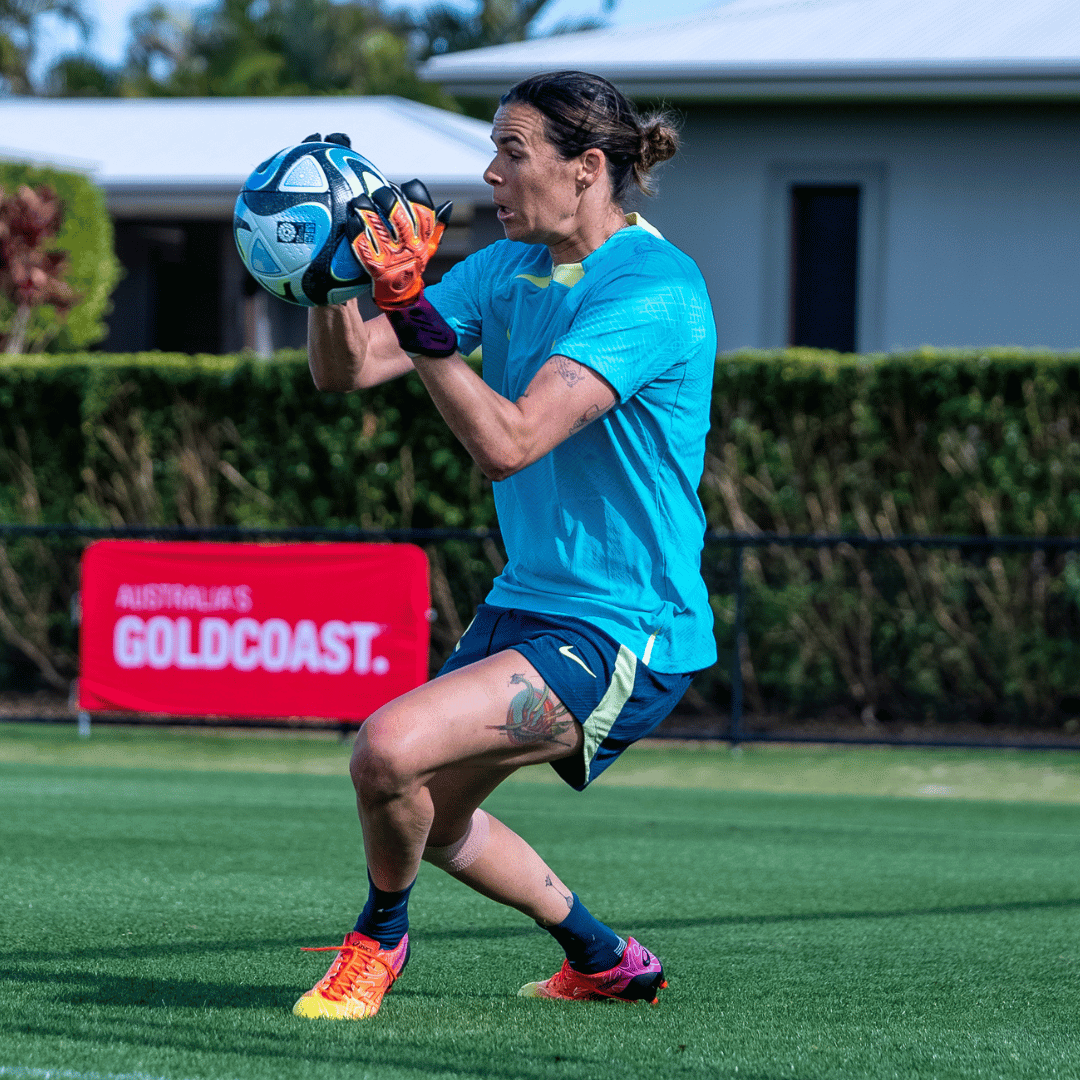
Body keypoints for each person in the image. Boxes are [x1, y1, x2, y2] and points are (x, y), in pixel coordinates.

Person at [293, 70, 718, 1020]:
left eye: (511, 152)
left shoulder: (653, 289)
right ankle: (606, 958)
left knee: (386, 753)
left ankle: (379, 939)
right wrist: (332, 281)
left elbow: (509, 442)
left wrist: (408, 302)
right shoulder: (510, 267)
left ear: (586, 169)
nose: (488, 172)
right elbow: (349, 369)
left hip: (627, 628)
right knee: (430, 818)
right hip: (532, 597)